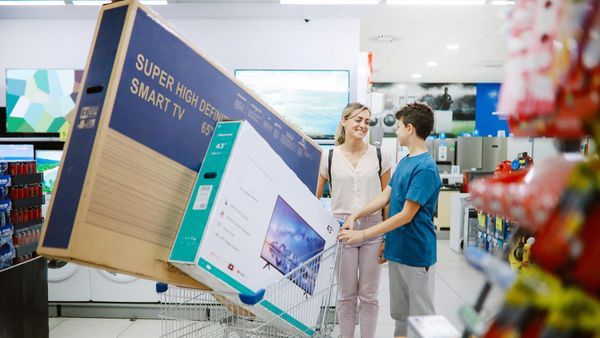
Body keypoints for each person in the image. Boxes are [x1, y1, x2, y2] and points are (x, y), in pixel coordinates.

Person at [338, 102, 441, 338]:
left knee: (420, 319)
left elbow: (406, 215)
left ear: (410, 129)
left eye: (398, 126)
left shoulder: (425, 168)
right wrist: (356, 215)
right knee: (401, 317)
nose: (395, 131)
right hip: (398, 252)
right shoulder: (405, 162)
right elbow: (386, 195)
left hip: (416, 254)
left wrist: (363, 234)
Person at [316, 102, 391, 338]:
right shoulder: (328, 156)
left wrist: (386, 236)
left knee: (369, 296)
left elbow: (386, 198)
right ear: (344, 121)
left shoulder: (380, 155)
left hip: (373, 229)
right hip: (342, 232)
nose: (363, 125)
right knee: (346, 295)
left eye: (367, 122)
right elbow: (314, 196)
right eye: (358, 120)